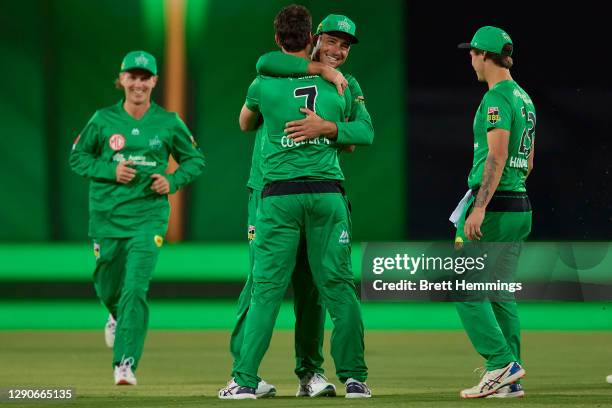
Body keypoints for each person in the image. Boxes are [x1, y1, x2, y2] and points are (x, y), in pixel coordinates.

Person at [222, 5, 372, 399]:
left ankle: (290, 375)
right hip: (295, 193)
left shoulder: (269, 81)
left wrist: (328, 127)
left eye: (345, 46)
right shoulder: (330, 81)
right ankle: (256, 374)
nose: (338, 51)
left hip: (283, 195)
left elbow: (358, 135)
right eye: (331, 42)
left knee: (292, 289)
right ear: (313, 40)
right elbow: (360, 136)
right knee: (287, 286)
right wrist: (322, 74)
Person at [69, 50, 205, 385]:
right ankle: (115, 315)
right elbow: (77, 158)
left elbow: (195, 160)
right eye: (133, 76)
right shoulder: (102, 120)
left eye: (145, 77)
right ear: (122, 80)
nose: (139, 83)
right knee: (106, 284)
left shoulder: (168, 122)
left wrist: (171, 181)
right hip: (107, 217)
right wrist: (110, 169)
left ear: (154, 81)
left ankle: (125, 363)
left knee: (135, 288)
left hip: (149, 217)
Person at [453, 26, 535, 398]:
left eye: (472, 54)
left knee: (465, 286)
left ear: (485, 56)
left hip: (497, 206)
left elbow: (497, 155)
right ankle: (510, 378)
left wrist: (480, 206)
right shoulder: (524, 98)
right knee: (500, 292)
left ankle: (499, 364)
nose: (470, 60)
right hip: (519, 203)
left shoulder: (497, 99)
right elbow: (528, 161)